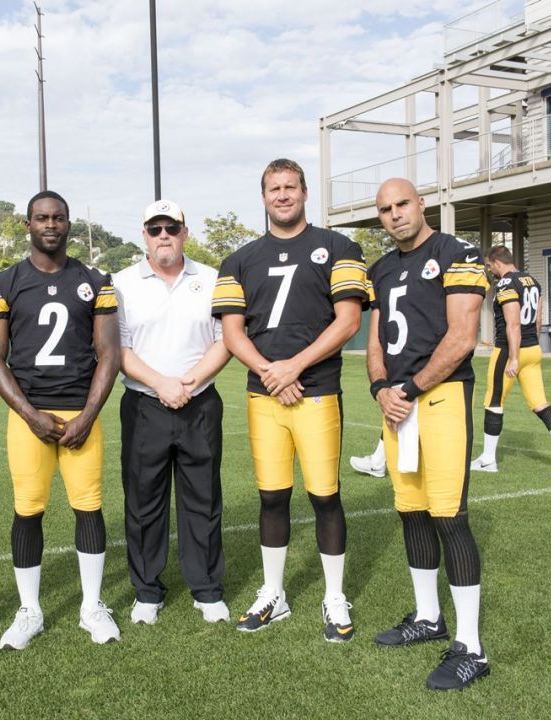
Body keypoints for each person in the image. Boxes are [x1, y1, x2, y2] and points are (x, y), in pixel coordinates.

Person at [212, 158, 368, 642]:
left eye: (291, 187)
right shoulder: (239, 260)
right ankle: (273, 594)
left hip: (316, 392)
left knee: (325, 497)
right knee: (272, 497)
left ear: (304, 193)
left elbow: (348, 322)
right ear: (263, 197)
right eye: (274, 188)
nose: (282, 195)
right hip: (265, 396)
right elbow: (232, 331)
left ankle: (334, 594)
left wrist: (293, 368)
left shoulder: (339, 247)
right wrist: (269, 372)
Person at [0, 190, 123, 649]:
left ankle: (91, 605)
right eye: (41, 217)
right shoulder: (4, 283)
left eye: (59, 218)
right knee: (28, 510)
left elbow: (109, 354)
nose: (51, 225)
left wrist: (87, 415)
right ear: (28, 224)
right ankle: (30, 609)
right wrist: (28, 414)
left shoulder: (95, 279)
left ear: (67, 224)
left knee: (89, 507)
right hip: (30, 417)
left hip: (81, 412)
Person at [366, 177, 491, 691]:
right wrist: (380, 388)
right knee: (410, 510)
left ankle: (471, 648)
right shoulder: (381, 267)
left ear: (421, 204)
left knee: (448, 516)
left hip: (438, 399)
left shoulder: (456, 251)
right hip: (396, 405)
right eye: (385, 209)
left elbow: (463, 337)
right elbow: (375, 339)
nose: (395, 214)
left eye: (402, 204)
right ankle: (426, 616)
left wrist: (412, 387)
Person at [112, 199, 233, 626]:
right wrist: (162, 384)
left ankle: (206, 588)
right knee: (144, 502)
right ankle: (147, 590)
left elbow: (225, 339)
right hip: (145, 404)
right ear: (143, 235)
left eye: (171, 228)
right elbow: (118, 349)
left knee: (202, 498)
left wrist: (189, 382)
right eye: (155, 228)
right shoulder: (121, 282)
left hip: (199, 402)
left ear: (185, 232)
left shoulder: (213, 278)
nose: (164, 235)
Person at [470, 245, 551, 479]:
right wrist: (533, 345)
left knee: (493, 401)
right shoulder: (532, 280)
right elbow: (537, 319)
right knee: (540, 403)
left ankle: (488, 459)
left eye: (490, 266)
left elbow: (513, 323)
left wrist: (513, 357)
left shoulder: (506, 283)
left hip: (510, 350)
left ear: (497, 263)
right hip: (532, 348)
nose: (490, 270)